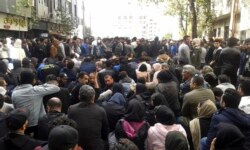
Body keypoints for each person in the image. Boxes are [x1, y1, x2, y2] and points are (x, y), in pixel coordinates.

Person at [11, 70, 60, 137]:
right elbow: (56, 88)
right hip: (36, 124)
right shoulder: (36, 90)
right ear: (32, 80)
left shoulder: (14, 93)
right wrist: (43, 84)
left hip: (21, 124)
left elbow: (15, 108)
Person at [68, 85, 109, 150]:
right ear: (94, 97)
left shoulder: (71, 109)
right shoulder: (101, 110)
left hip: (77, 145)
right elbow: (105, 131)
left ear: (79, 96)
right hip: (96, 146)